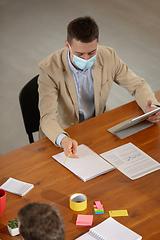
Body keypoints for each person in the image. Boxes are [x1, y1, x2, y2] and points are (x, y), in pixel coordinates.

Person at [38, 16, 160, 158]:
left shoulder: (108, 56)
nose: (86, 59)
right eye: (79, 54)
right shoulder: (48, 68)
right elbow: (47, 117)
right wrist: (64, 140)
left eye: (91, 53)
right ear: (67, 45)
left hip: (98, 127)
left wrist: (151, 108)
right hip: (65, 133)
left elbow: (138, 85)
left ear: (98, 42)